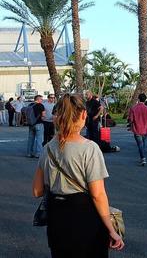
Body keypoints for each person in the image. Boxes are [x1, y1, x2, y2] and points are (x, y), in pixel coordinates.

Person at [31, 93, 125, 257]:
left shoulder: (48, 148)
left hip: (57, 220)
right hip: (85, 219)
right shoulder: (89, 148)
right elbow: (98, 194)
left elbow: (37, 191)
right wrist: (112, 229)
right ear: (83, 114)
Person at [128, 93, 147, 166]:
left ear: (138, 99)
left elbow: (131, 120)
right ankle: (142, 157)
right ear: (145, 100)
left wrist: (130, 126)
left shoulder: (133, 108)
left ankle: (143, 158)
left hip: (137, 129)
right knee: (143, 144)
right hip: (145, 129)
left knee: (140, 144)